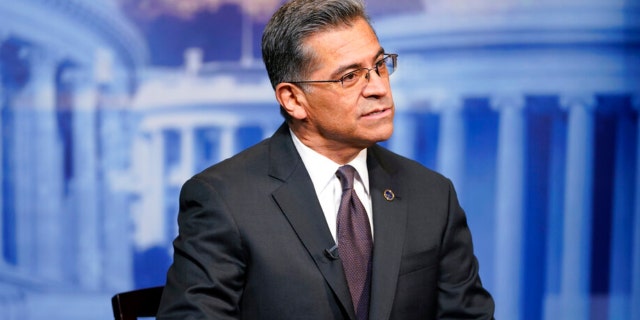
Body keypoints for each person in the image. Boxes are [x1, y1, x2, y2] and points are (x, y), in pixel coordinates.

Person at [157, 0, 495, 319]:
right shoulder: (223, 199)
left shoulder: (433, 194)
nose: (378, 87)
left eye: (379, 66)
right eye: (349, 77)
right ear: (293, 99)